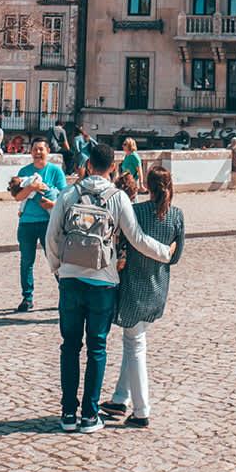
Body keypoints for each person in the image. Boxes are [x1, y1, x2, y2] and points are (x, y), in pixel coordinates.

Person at [46, 141, 174, 435]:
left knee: (69, 346)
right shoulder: (117, 198)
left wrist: (58, 269)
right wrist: (166, 253)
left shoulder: (68, 193)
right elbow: (137, 238)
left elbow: (52, 237)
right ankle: (89, 415)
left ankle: (68, 412)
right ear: (113, 167)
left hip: (70, 280)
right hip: (103, 282)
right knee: (97, 348)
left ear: (88, 164)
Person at [101, 165, 185, 429]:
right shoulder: (177, 216)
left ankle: (141, 410)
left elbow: (121, 245)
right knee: (133, 341)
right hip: (158, 287)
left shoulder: (136, 212)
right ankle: (119, 398)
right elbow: (176, 257)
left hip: (133, 288)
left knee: (134, 345)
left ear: (146, 186)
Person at [9, 139, 66, 312]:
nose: (38, 152)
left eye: (41, 149)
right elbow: (17, 197)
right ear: (31, 152)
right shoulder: (24, 171)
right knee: (26, 261)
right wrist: (32, 187)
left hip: (48, 222)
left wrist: (52, 204)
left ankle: (66, 294)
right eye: (35, 149)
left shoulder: (55, 171)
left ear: (47, 150)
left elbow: (65, 197)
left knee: (55, 260)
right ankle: (27, 297)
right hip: (27, 223)